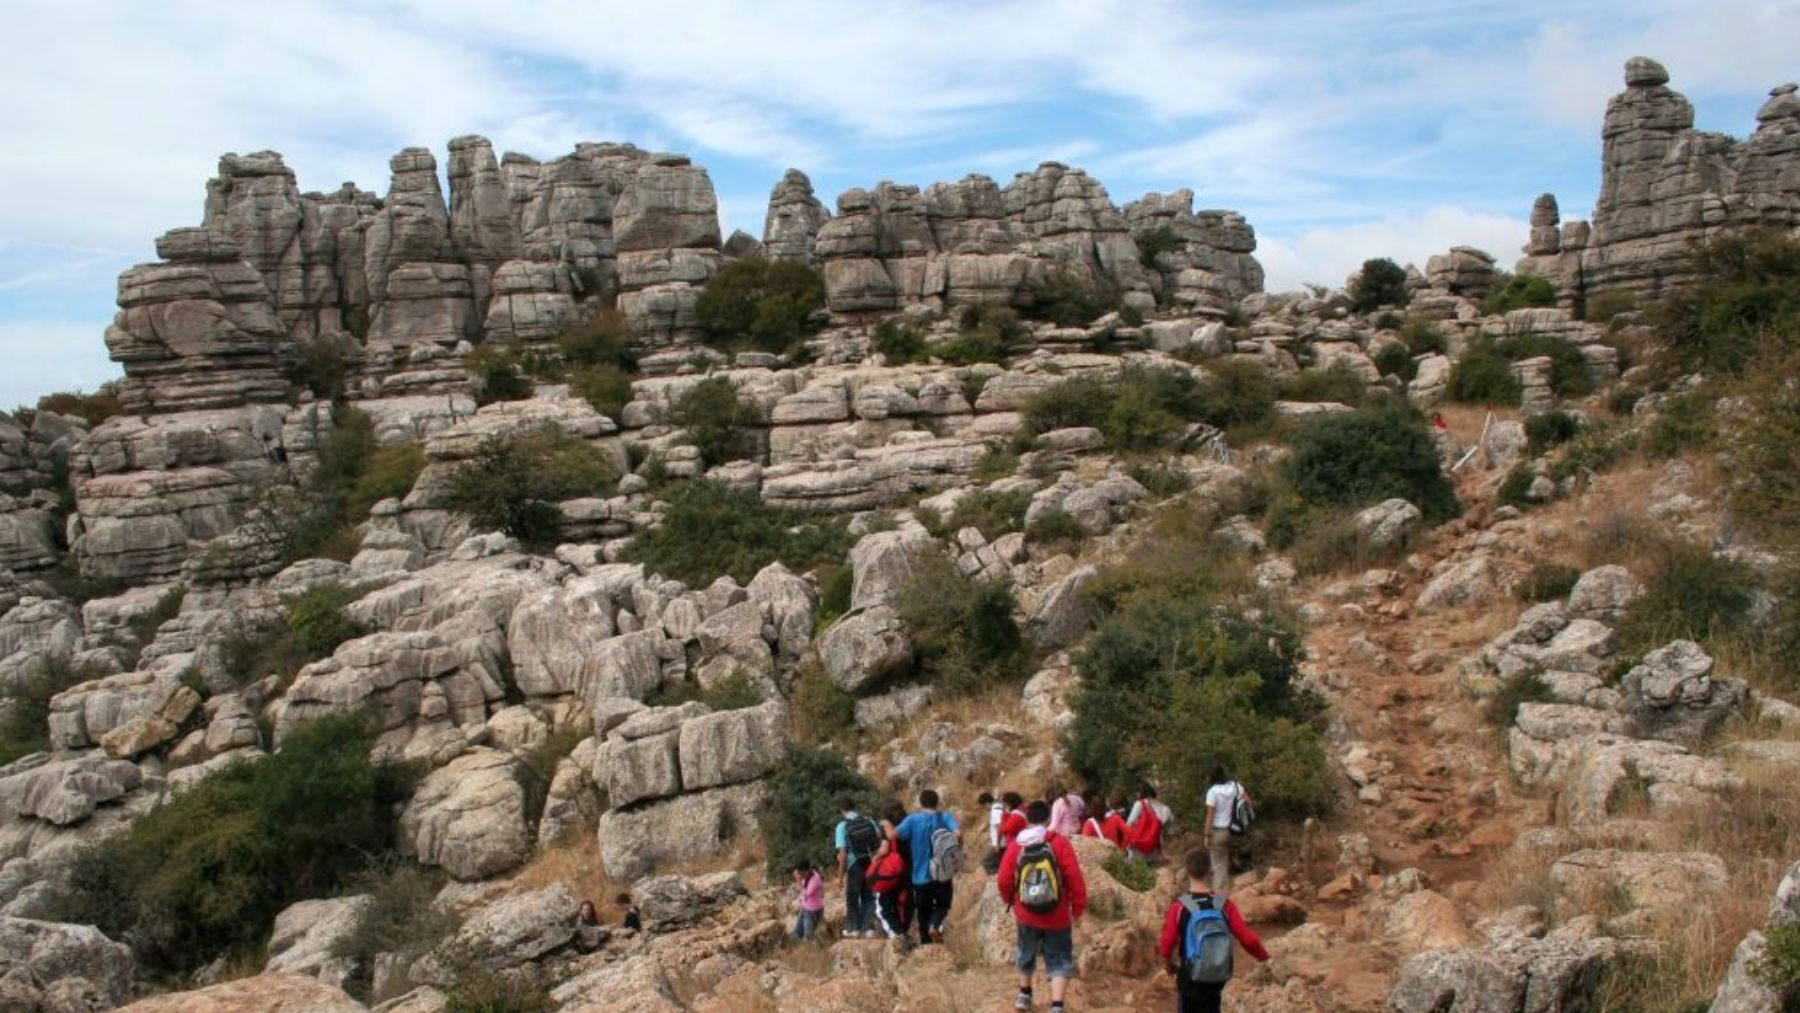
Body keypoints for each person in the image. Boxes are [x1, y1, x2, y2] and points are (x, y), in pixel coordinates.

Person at [997, 799, 1087, 1013]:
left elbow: (1003, 879)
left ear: (1026, 819)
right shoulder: (1059, 843)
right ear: (1048, 818)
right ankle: (1056, 1006)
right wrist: (1078, 907)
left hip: (1026, 912)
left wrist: (1010, 899)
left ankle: (1024, 996)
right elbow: (1074, 877)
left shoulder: (1017, 845)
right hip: (1057, 915)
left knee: (1025, 951)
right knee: (1059, 957)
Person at [1158, 849, 1269, 1013]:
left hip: (1190, 979)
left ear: (1187, 872)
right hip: (1219, 978)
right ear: (1210, 871)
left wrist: (1168, 965)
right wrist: (1265, 958)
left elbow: (1166, 944)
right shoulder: (1222, 904)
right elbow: (1248, 939)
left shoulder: (1179, 907)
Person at [895, 789, 962, 945]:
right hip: (942, 873)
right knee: (943, 905)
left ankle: (926, 945)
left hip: (920, 877)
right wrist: (957, 848)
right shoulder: (945, 817)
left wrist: (885, 824)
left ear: (920, 802)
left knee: (923, 912)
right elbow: (958, 833)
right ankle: (935, 925)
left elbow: (895, 835)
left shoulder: (912, 820)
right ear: (937, 801)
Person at [835, 797, 883, 938]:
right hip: (870, 862)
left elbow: (842, 854)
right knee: (868, 896)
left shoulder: (842, 826)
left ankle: (853, 928)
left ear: (842, 810)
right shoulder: (869, 821)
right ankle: (868, 929)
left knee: (852, 896)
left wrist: (840, 877)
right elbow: (879, 839)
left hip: (854, 864)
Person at [1202, 767, 1250, 893]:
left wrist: (1206, 835)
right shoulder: (1236, 786)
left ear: (1211, 777)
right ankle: (1232, 890)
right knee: (1227, 861)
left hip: (1219, 831)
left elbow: (1210, 816)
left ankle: (1219, 903)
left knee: (1219, 866)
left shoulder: (1213, 792)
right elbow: (1248, 803)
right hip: (1236, 831)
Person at [871, 798, 912, 940]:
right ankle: (905, 930)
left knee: (884, 905)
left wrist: (875, 859)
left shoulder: (886, 825)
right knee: (905, 901)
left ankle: (898, 934)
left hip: (892, 872)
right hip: (908, 869)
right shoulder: (909, 821)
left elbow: (884, 849)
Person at [1126, 781, 1173, 861]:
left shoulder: (1139, 804)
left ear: (1139, 792)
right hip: (1156, 850)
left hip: (1138, 849)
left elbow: (1129, 824)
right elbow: (1169, 829)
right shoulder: (1166, 809)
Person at [792, 859, 825, 940]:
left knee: (808, 938)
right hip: (805, 908)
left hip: (813, 911)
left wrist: (799, 881)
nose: (798, 874)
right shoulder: (809, 875)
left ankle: (810, 951)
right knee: (797, 933)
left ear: (804, 871)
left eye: (799, 872)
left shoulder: (815, 879)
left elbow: (807, 894)